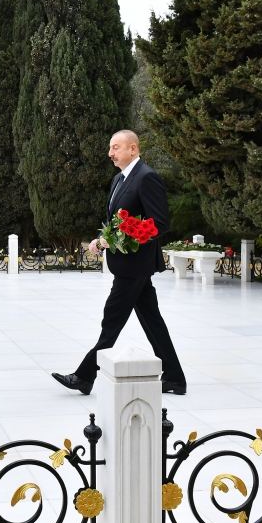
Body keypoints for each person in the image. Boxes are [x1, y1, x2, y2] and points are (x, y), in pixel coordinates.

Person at [52, 130, 187, 395]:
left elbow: (158, 224)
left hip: (135, 266)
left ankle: (84, 376)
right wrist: (102, 239)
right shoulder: (118, 179)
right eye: (110, 148)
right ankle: (174, 377)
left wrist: (112, 240)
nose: (110, 153)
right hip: (127, 266)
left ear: (133, 149)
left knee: (111, 322)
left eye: (116, 147)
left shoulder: (147, 177)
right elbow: (119, 223)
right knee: (152, 321)